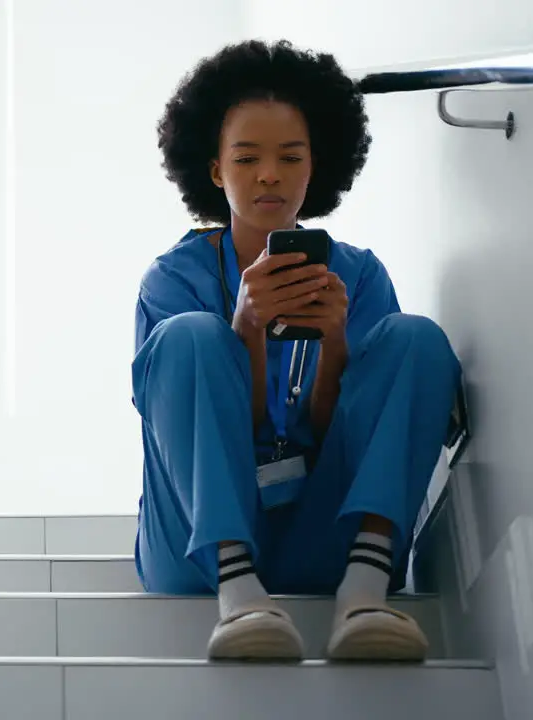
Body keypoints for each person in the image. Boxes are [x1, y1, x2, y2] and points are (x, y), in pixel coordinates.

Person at [131, 39, 461, 662]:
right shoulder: (173, 279)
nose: (269, 174)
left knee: (414, 337)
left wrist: (334, 339)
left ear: (317, 165)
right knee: (191, 335)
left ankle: (365, 592)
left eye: (290, 156)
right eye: (247, 157)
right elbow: (206, 428)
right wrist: (246, 330)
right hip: (198, 546)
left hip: (326, 534)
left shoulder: (358, 276)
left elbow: (344, 429)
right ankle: (239, 589)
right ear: (213, 169)